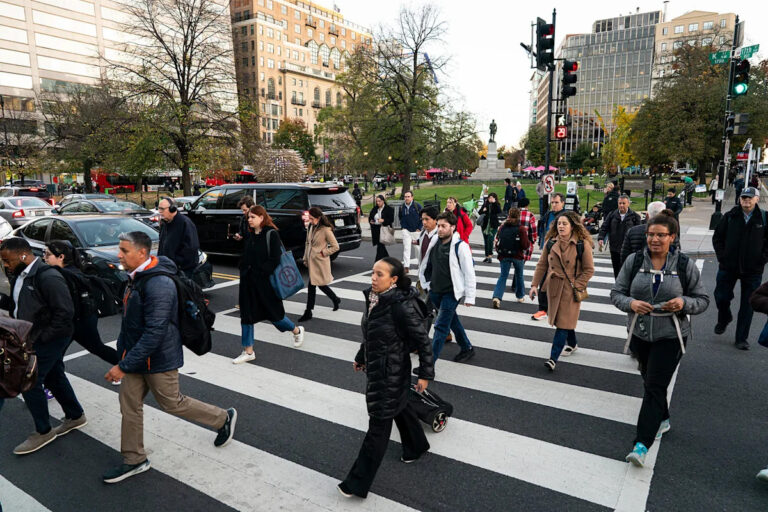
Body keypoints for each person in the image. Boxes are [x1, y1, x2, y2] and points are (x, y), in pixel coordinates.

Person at [103, 231, 236, 483]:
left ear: (142, 253)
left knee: (172, 403)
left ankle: (222, 418)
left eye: (124, 250)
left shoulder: (158, 284)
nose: (119, 255)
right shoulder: (137, 277)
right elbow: (131, 324)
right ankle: (134, 459)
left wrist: (123, 365)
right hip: (135, 357)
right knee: (129, 406)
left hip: (158, 359)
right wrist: (125, 356)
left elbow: (155, 332)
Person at [611, 215, 709, 467]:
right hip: (640, 333)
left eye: (661, 235)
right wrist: (631, 303)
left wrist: (683, 303)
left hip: (671, 335)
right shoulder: (634, 261)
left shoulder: (684, 265)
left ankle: (641, 444)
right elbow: (617, 293)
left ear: (672, 237)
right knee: (650, 380)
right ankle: (662, 418)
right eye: (651, 234)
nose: (655, 239)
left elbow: (702, 300)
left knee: (654, 386)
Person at [338, 257, 434, 499]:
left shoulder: (400, 306)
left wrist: (425, 374)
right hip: (380, 367)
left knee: (378, 427)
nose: (373, 278)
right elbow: (371, 334)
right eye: (373, 272)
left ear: (393, 279)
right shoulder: (375, 298)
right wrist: (361, 357)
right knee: (400, 406)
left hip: (390, 372)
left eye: (380, 274)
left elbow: (423, 341)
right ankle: (416, 446)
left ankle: (356, 484)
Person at [0, 237, 84, 455]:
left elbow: (65, 312)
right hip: (33, 336)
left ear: (23, 255)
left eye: (7, 261)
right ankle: (75, 415)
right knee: (54, 376)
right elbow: (20, 304)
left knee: (28, 381)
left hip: (49, 338)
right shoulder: (21, 275)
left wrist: (42, 338)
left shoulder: (48, 277)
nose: (5, 265)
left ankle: (44, 431)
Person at [234, 206, 305, 364]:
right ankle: (248, 351)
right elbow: (246, 255)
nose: (249, 220)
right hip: (248, 282)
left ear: (261, 217)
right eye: (248, 217)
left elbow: (275, 259)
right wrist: (243, 267)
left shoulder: (271, 234)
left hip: (264, 283)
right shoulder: (250, 234)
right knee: (246, 316)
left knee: (275, 316)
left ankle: (296, 330)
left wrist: (261, 272)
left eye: (252, 217)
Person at [530, 212, 595, 371]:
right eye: (559, 223)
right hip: (553, 286)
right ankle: (572, 343)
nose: (561, 226)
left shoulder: (582, 244)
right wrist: (534, 285)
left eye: (564, 224)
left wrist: (577, 285)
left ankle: (553, 358)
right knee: (564, 320)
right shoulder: (551, 243)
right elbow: (542, 265)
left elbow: (589, 270)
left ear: (572, 226)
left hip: (571, 289)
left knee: (563, 323)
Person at [44, 240, 121, 371]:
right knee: (57, 356)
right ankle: (126, 366)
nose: (44, 258)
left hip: (79, 321)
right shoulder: (72, 271)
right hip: (82, 319)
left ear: (61, 257)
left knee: (56, 356)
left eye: (47, 254)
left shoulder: (63, 275)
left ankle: (127, 366)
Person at [712, 187, 768, 350]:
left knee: (748, 304)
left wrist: (762, 260)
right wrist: (722, 257)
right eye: (744, 197)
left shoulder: (764, 218)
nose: (746, 200)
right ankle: (724, 317)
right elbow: (718, 238)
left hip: (753, 270)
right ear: (739, 199)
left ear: (757, 199)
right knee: (721, 296)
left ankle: (741, 338)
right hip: (728, 267)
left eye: (750, 197)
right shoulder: (730, 216)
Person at [419, 212, 476, 363]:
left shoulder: (460, 247)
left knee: (441, 326)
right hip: (435, 291)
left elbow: (469, 273)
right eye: (438, 226)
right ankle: (467, 348)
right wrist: (426, 284)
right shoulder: (434, 242)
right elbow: (426, 264)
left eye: (444, 226)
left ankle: (428, 365)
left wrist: (470, 296)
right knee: (452, 320)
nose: (440, 229)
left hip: (451, 293)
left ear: (453, 227)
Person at [298, 207, 340, 322]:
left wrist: (323, 252)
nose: (310, 221)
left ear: (319, 218)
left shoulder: (326, 230)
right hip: (311, 262)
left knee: (314, 285)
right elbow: (307, 243)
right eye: (309, 218)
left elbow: (335, 246)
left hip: (320, 262)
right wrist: (305, 258)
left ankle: (308, 311)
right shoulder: (311, 227)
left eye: (312, 218)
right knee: (318, 284)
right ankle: (335, 299)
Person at [532, 193, 566, 321]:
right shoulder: (548, 214)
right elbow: (543, 227)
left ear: (563, 203)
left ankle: (557, 307)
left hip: (561, 253)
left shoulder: (566, 216)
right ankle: (543, 308)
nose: (554, 205)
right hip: (548, 248)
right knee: (544, 279)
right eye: (552, 202)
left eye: (556, 202)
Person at [492, 208, 530, 307]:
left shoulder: (502, 227)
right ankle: (520, 295)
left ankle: (497, 296)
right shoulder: (521, 228)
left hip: (504, 254)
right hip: (517, 255)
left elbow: (497, 239)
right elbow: (525, 245)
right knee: (519, 275)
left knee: (503, 276)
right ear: (519, 216)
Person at [598, 194, 642, 277]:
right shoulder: (612, 215)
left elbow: (638, 231)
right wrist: (601, 238)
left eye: (623, 203)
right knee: (616, 270)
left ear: (628, 204)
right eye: (620, 203)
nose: (621, 205)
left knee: (626, 271)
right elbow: (604, 227)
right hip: (614, 248)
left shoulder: (634, 216)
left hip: (628, 248)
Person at [157, 196, 200, 279]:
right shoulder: (164, 224)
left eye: (162, 209)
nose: (159, 211)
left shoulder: (185, 223)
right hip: (167, 269)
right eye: (159, 208)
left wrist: (176, 264)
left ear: (172, 209)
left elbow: (191, 249)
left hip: (182, 272)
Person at [398, 190, 422, 272]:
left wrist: (419, 228)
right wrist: (403, 227)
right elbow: (400, 217)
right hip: (406, 231)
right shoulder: (402, 207)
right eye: (405, 197)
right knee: (406, 248)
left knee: (417, 248)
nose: (407, 198)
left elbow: (423, 217)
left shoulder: (417, 206)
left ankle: (420, 263)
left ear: (412, 197)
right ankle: (406, 266)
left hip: (416, 231)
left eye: (408, 196)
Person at [369, 195, 395, 262]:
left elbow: (391, 219)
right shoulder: (375, 209)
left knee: (380, 246)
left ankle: (377, 262)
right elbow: (370, 217)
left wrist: (383, 220)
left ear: (383, 201)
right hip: (376, 229)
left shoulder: (388, 209)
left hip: (384, 229)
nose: (378, 203)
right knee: (380, 246)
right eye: (377, 201)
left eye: (379, 201)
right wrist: (371, 221)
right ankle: (388, 260)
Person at [477, 192, 502, 263]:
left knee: (490, 240)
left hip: (493, 225)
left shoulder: (496, 204)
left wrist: (494, 203)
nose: (490, 199)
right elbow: (479, 212)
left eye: (492, 198)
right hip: (485, 225)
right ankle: (486, 256)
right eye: (489, 198)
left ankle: (490, 255)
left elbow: (499, 211)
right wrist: (483, 210)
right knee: (486, 240)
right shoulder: (485, 204)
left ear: (495, 198)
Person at [517, 197, 538, 264]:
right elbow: (533, 230)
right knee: (521, 263)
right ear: (527, 205)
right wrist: (533, 240)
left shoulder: (514, 214)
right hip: (525, 241)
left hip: (514, 241)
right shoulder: (530, 215)